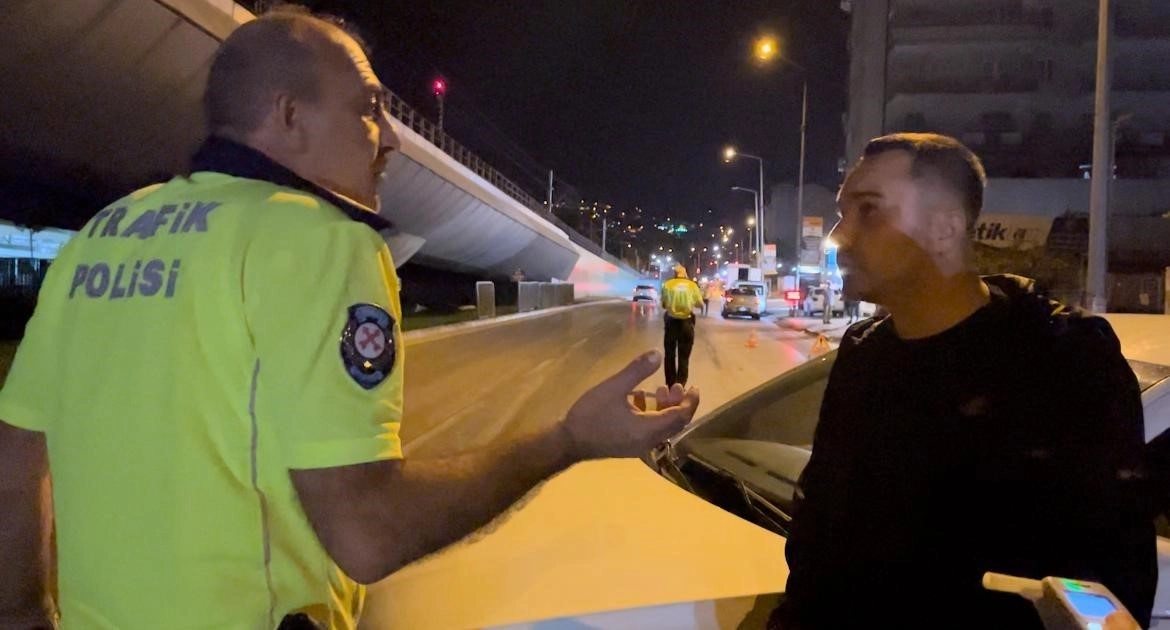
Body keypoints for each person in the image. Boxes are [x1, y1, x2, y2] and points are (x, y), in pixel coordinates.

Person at [0, 7, 700, 629]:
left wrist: (22, 611)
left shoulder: (107, 233)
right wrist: (567, 440)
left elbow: (16, 456)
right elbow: (369, 534)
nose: (391, 138)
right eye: (368, 108)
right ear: (289, 116)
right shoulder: (321, 241)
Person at [771, 133, 1155, 629]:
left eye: (869, 211)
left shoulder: (1063, 359)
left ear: (945, 228)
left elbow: (1112, 577)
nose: (840, 236)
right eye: (843, 213)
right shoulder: (864, 354)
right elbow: (818, 533)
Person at [660, 264, 703, 387]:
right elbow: (700, 304)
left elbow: (664, 304)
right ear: (685, 274)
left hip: (671, 323)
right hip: (686, 323)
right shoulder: (692, 286)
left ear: (675, 274)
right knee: (684, 357)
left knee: (669, 356)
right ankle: (681, 384)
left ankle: (670, 384)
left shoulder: (668, 285)